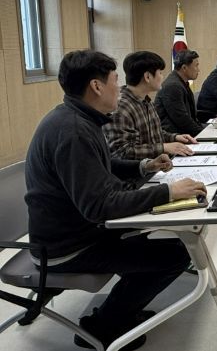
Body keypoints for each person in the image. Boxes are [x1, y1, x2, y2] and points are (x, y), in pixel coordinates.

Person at [25, 50, 207, 350]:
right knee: (174, 256)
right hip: (67, 247)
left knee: (166, 241)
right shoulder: (74, 132)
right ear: (97, 86)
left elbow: (103, 165)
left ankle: (122, 311)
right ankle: (102, 327)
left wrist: (144, 166)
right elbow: (100, 207)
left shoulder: (79, 118)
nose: (119, 88)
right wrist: (168, 193)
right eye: (114, 80)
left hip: (78, 231)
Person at [104, 51, 197, 165]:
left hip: (160, 166)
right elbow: (122, 152)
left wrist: (175, 137)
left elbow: (155, 135)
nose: (162, 77)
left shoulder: (146, 101)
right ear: (147, 77)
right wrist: (164, 147)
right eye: (160, 73)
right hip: (141, 173)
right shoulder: (121, 108)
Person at [155, 49, 205, 137]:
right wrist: (204, 134)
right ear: (184, 68)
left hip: (184, 133)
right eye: (196, 66)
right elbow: (182, 120)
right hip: (176, 136)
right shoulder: (173, 86)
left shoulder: (181, 82)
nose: (198, 70)